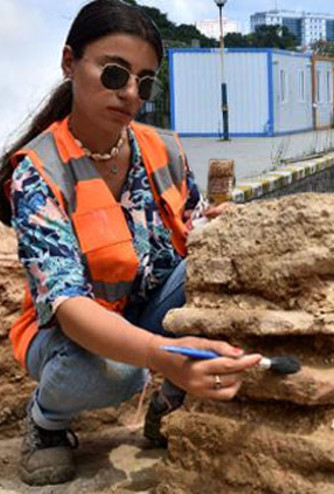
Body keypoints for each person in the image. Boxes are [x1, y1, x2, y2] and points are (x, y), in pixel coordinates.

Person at [0, 0, 261, 486]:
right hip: (68, 335)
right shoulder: (38, 172)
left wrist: (221, 229)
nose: (131, 93)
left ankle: (169, 403)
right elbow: (68, 304)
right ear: (68, 63)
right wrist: (160, 357)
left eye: (144, 81)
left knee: (234, 272)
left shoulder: (163, 147)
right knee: (119, 373)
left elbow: (187, 229)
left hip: (146, 309)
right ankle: (46, 420)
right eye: (114, 73)